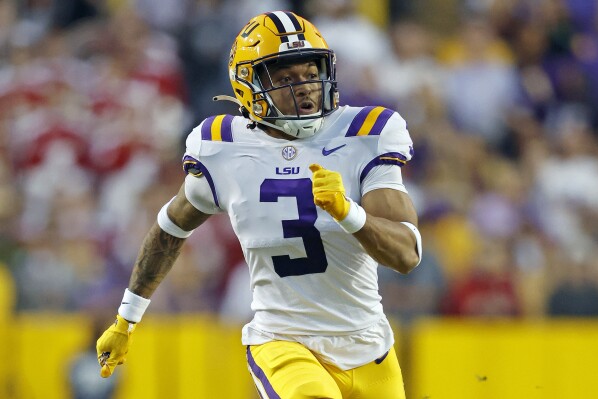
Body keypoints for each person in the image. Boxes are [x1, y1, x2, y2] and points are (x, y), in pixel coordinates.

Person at [96, 10, 422, 399]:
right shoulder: (224, 148)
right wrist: (126, 319)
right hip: (283, 342)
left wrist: (348, 212)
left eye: (309, 73)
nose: (305, 88)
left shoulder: (367, 134)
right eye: (286, 78)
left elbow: (407, 254)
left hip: (370, 349)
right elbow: (171, 227)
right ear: (249, 85)